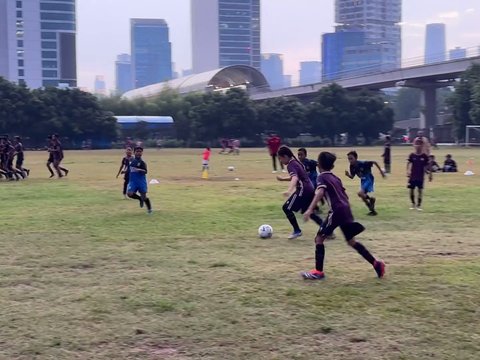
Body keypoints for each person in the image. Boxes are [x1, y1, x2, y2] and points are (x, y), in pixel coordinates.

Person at [301, 151, 386, 280]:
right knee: (351, 241)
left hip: (336, 210)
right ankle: (377, 264)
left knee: (319, 238)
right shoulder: (335, 178)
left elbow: (320, 193)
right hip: (345, 209)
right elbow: (344, 195)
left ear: (320, 164)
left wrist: (309, 209)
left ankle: (318, 272)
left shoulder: (322, 177)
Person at [276, 146, 323, 239]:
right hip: (310, 188)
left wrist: (289, 190)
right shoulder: (296, 162)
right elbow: (296, 176)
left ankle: (297, 231)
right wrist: (282, 179)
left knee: (286, 208)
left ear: (285, 156)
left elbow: (295, 178)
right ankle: (327, 230)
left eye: (280, 159)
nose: (280, 161)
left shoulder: (290, 165)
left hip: (303, 189)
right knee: (308, 211)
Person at [345, 151, 385, 216]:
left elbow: (374, 162)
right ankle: (372, 211)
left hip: (368, 178)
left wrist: (381, 172)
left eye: (351, 158)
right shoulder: (351, 166)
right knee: (362, 196)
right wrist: (348, 175)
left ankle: (371, 200)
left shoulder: (362, 163)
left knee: (360, 193)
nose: (350, 160)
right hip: (363, 180)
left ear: (356, 158)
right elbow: (352, 176)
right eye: (349, 159)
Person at [127, 146, 153, 214]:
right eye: (137, 151)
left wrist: (138, 169)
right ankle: (139, 199)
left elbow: (145, 171)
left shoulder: (142, 162)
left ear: (142, 153)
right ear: (134, 152)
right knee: (129, 194)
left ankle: (149, 209)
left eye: (140, 151)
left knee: (144, 197)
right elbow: (130, 168)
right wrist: (125, 171)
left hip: (141, 181)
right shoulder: (131, 160)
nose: (138, 153)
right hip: (133, 181)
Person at [407, 143, 432, 211]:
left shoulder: (424, 156)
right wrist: (408, 171)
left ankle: (419, 205)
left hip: (420, 176)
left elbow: (428, 165)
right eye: (417, 145)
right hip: (412, 176)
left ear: (422, 146)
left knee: (420, 190)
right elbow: (409, 163)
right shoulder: (412, 155)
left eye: (419, 145)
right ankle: (413, 203)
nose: (418, 146)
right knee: (411, 190)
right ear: (415, 146)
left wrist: (430, 174)